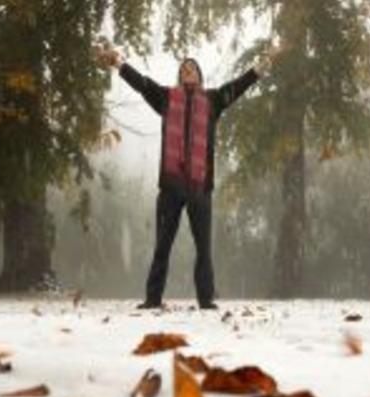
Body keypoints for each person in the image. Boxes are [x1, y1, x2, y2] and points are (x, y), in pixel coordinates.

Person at [98, 47, 272, 310]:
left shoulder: (213, 100)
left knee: (204, 248)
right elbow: (143, 85)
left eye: (192, 68)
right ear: (180, 77)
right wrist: (119, 65)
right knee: (162, 246)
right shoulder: (166, 98)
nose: (187, 71)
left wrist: (258, 70)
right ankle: (152, 298)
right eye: (183, 69)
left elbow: (237, 87)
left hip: (200, 186)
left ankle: (206, 300)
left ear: (199, 76)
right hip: (171, 185)